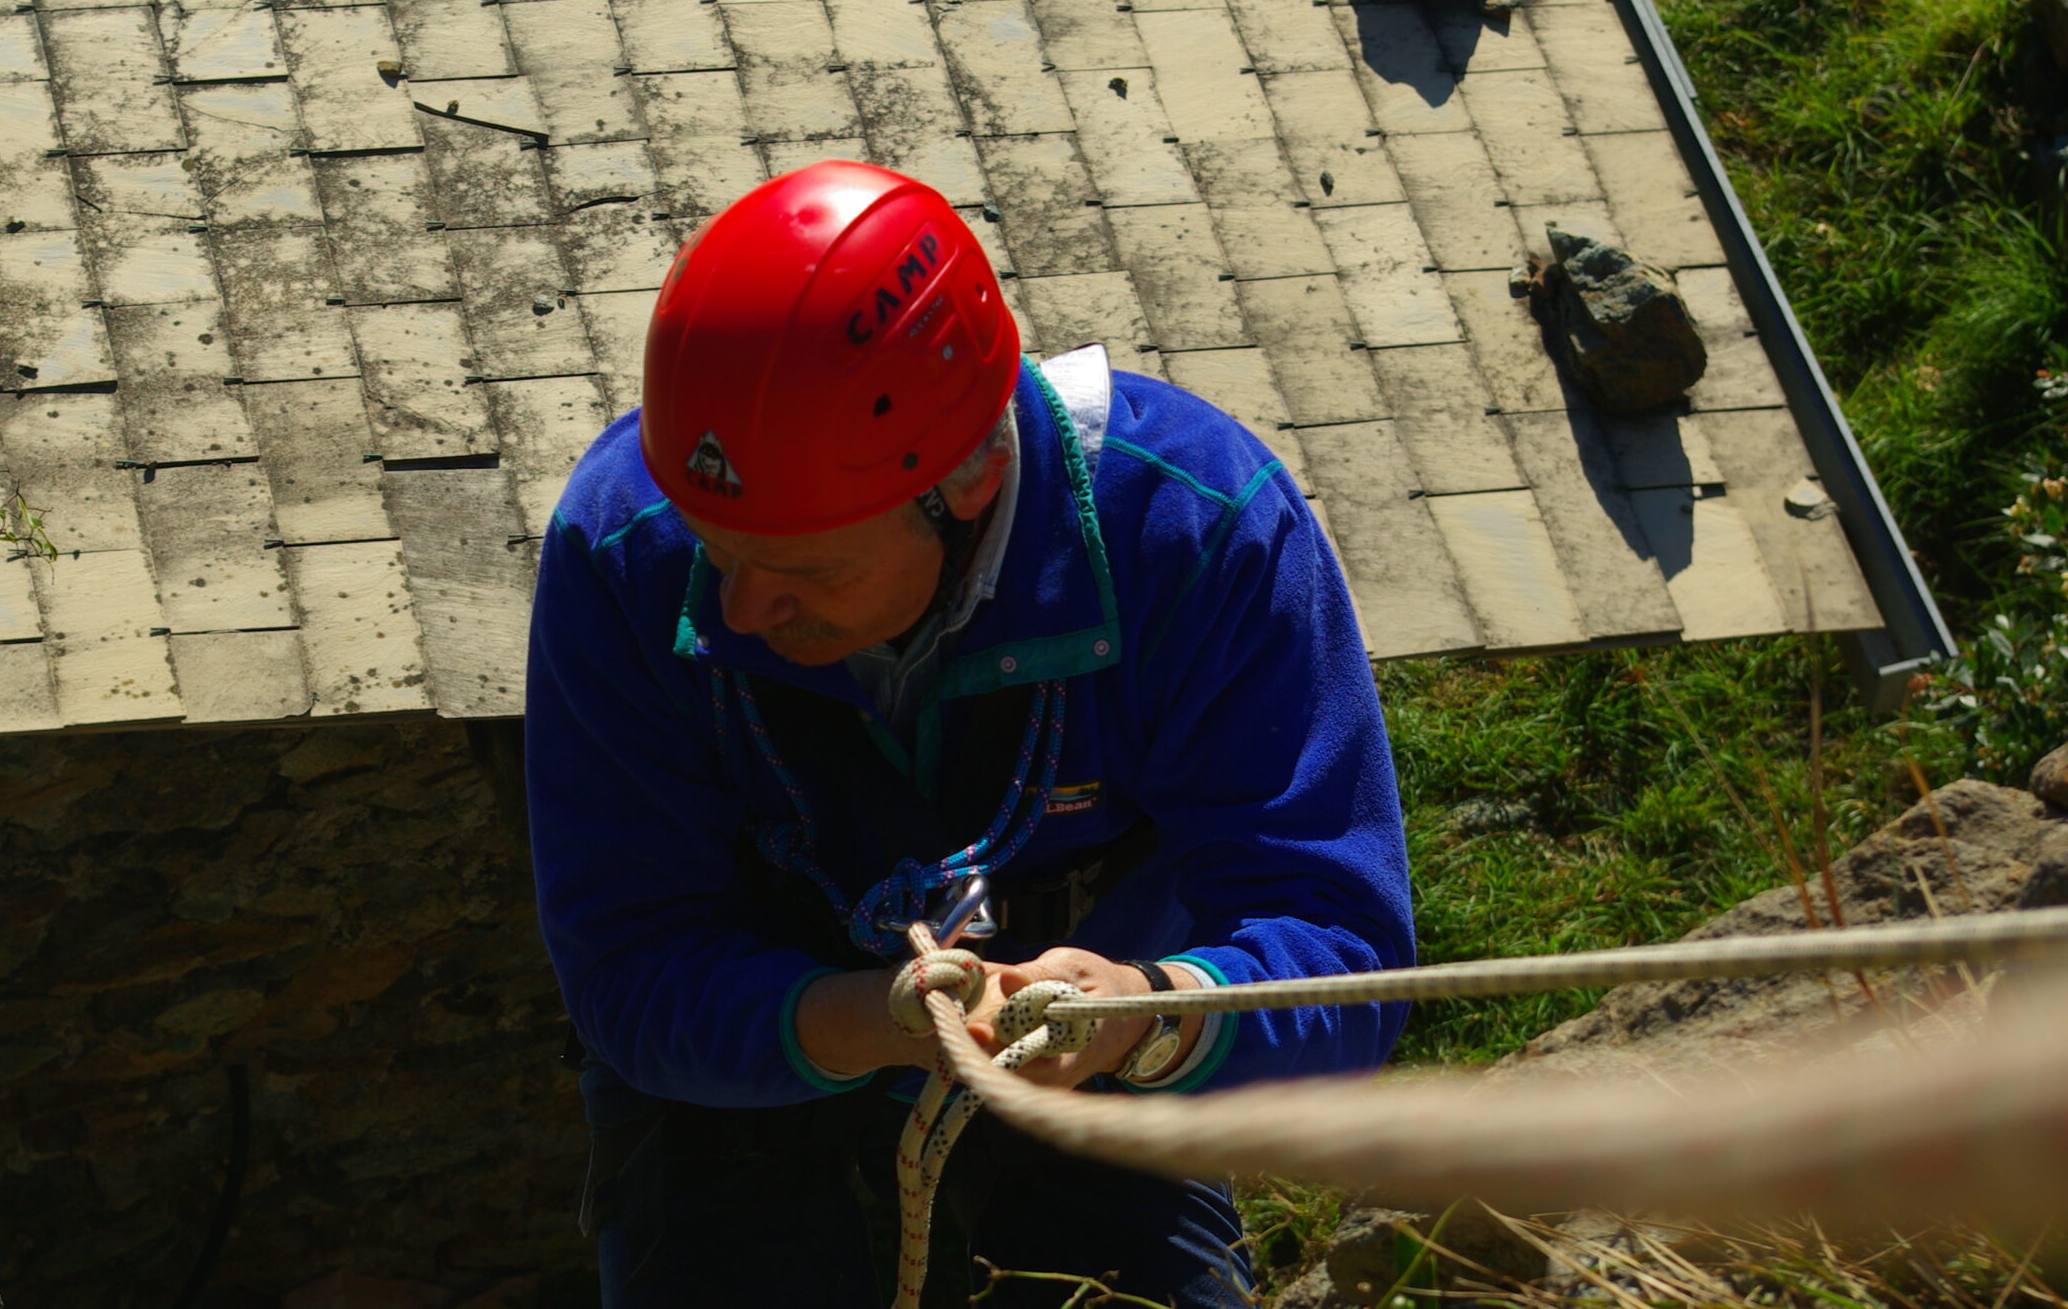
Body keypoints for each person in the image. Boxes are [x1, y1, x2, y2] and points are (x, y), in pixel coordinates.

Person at [524, 160, 1414, 1308]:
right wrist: (872, 1021)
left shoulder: (1195, 536)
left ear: (975, 478)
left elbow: (1337, 945)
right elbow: (630, 966)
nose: (735, 613)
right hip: (735, 1080)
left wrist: (1140, 1014)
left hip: (1093, 1074)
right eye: (718, 550)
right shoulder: (625, 546)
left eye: (804, 568)